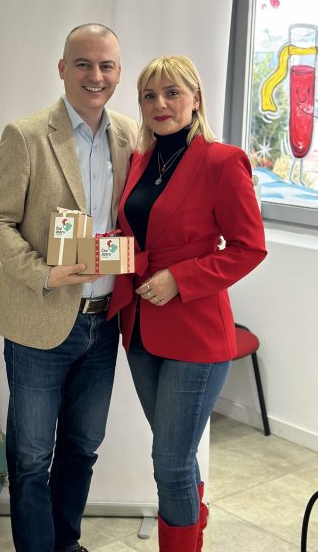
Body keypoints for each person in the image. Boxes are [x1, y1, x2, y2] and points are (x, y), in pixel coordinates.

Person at [0, 23, 138, 552]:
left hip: (103, 323)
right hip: (39, 320)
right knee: (30, 459)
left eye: (107, 65)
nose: (96, 76)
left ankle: (66, 544)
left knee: (82, 448)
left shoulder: (129, 135)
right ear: (63, 68)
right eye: (84, 64)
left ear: (118, 72)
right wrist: (44, 273)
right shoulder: (25, 135)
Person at [108, 55, 267, 552]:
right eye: (149, 95)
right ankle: (191, 532)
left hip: (195, 331)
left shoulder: (223, 161)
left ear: (195, 98)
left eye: (172, 92)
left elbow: (249, 248)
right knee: (175, 455)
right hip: (137, 326)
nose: (160, 104)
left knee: (170, 462)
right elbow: (136, 233)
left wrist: (180, 278)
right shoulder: (139, 160)